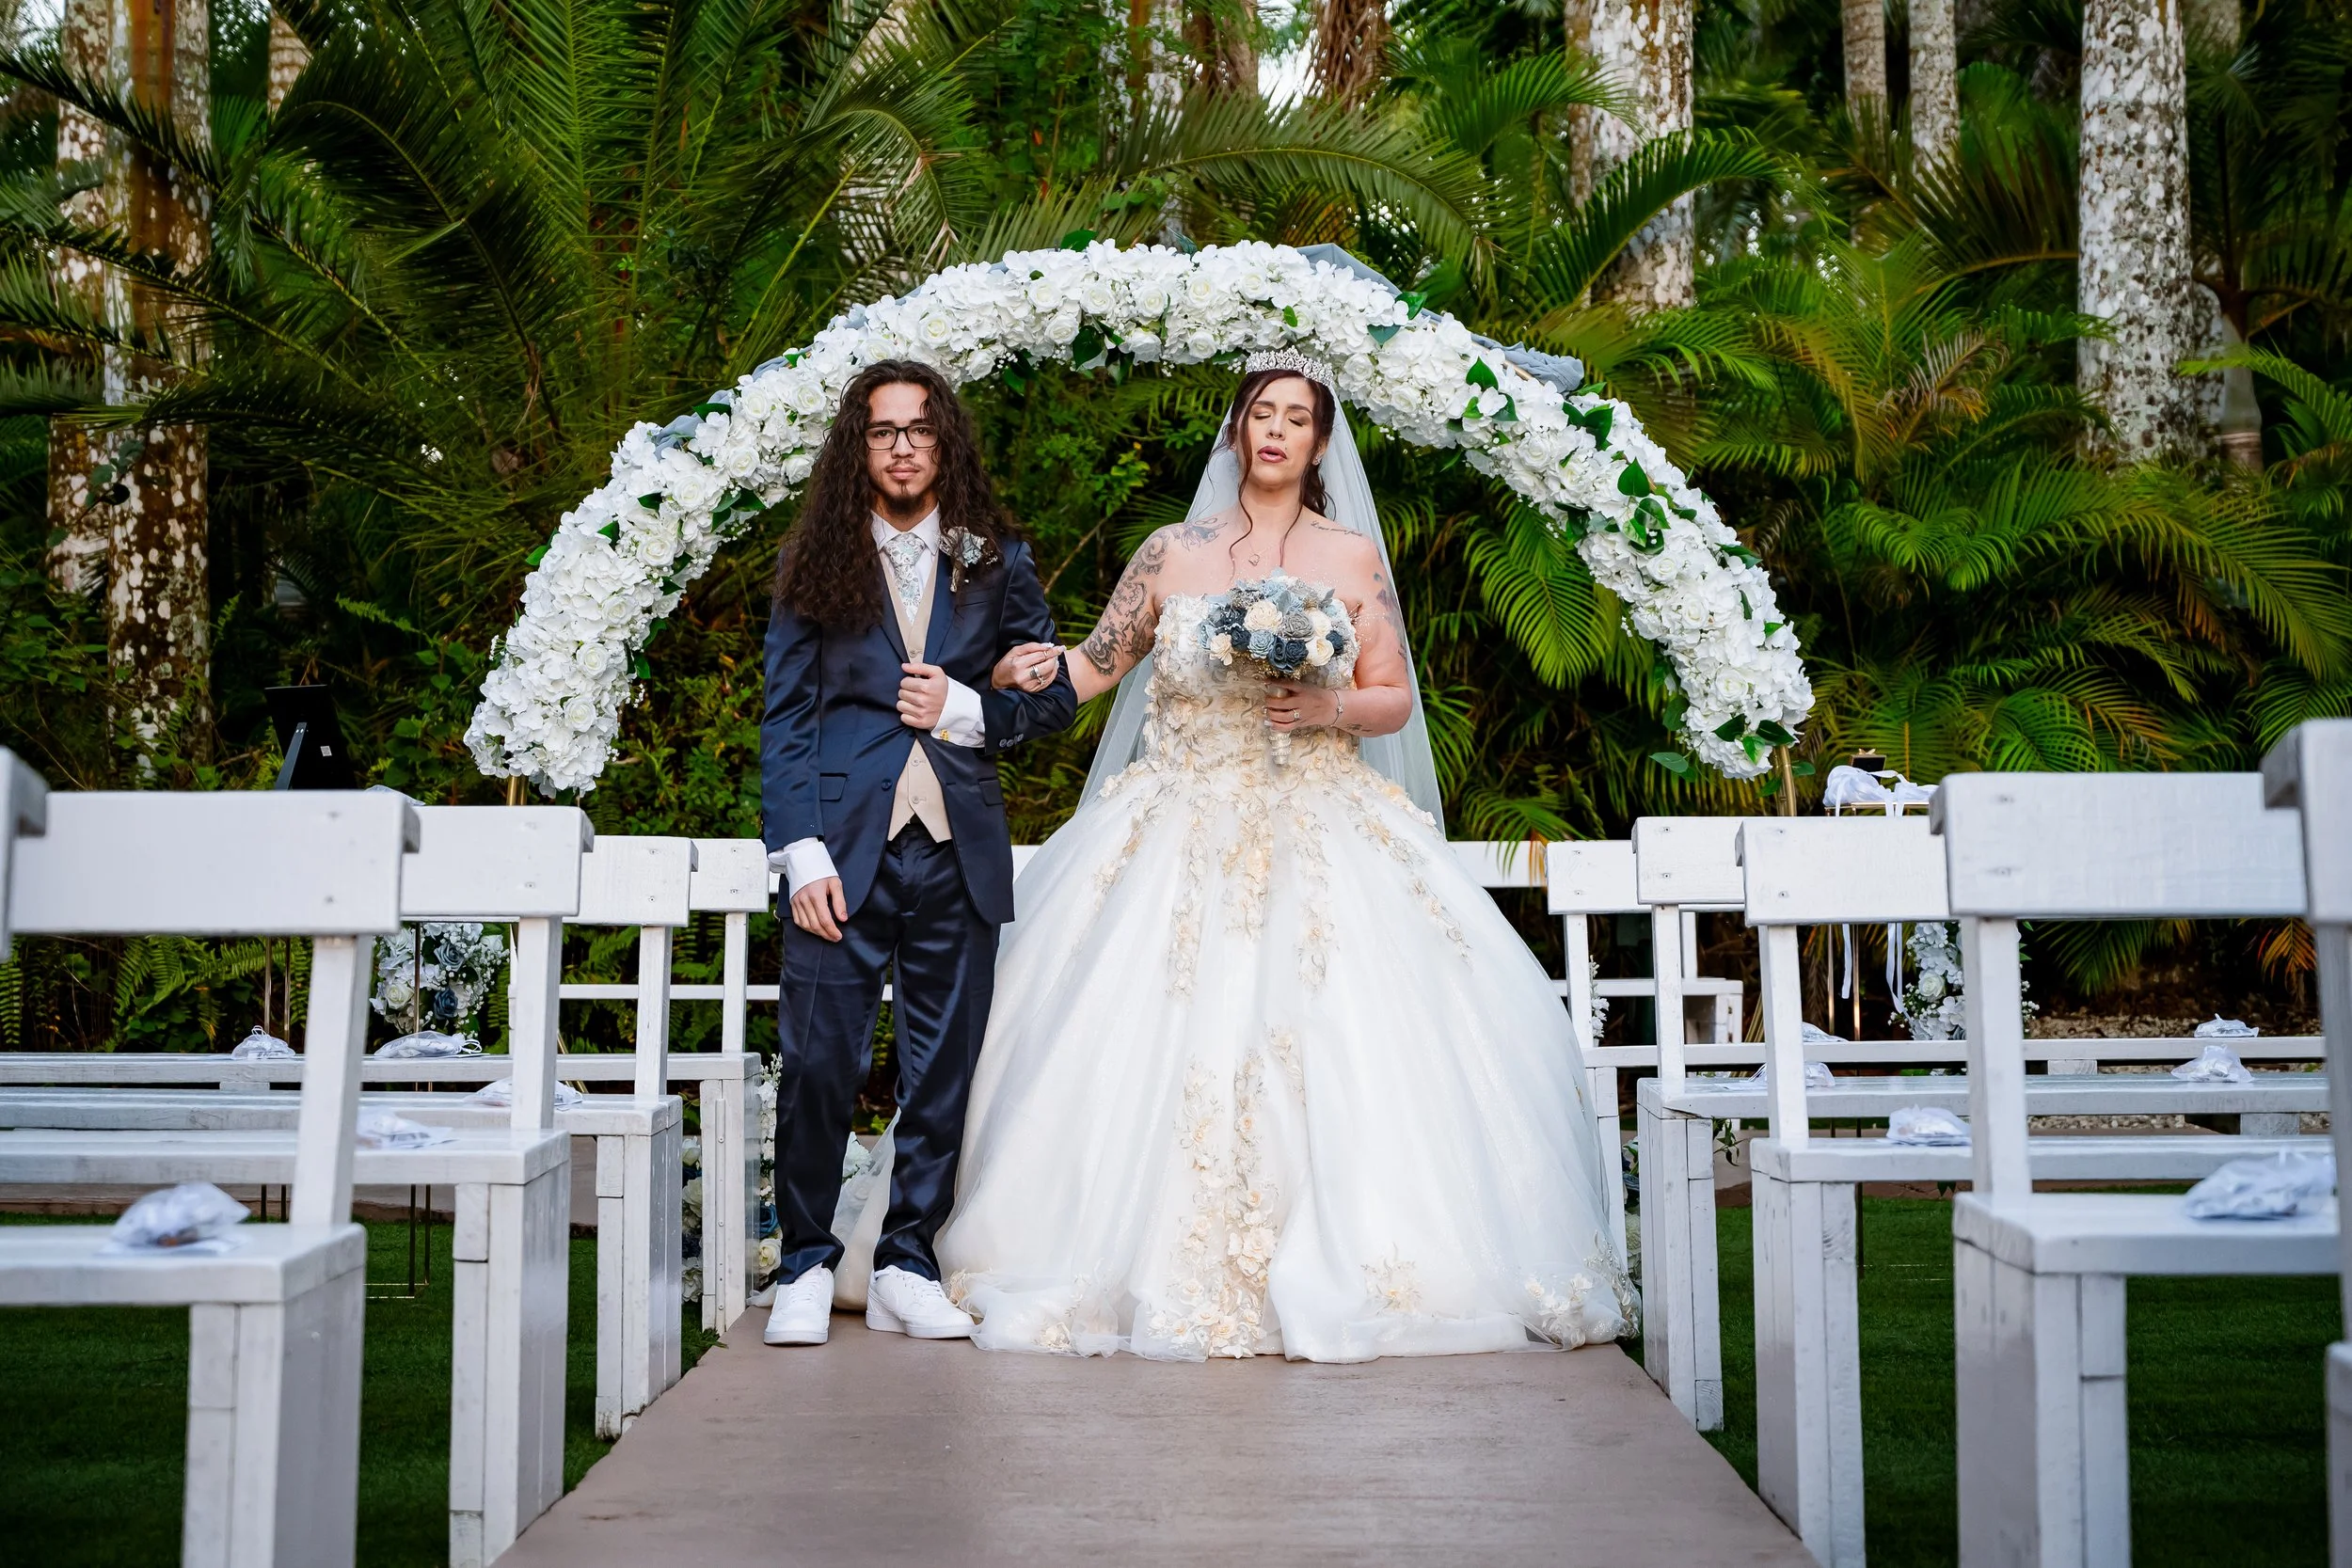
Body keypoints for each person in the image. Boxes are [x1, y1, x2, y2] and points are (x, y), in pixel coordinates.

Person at [932, 351, 1634, 1361]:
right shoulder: (1170, 550)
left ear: (1317, 443)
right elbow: (1094, 666)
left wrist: (1327, 705)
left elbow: (1391, 695)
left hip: (1317, 816)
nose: (1274, 430)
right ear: (1234, 431)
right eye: (1260, 412)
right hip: (1173, 821)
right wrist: (1015, 674)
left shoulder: (1350, 559)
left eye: (1295, 418)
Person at [759, 359, 1075, 1346]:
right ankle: (805, 1259)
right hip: (840, 851)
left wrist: (972, 706)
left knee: (945, 1068)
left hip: (957, 847)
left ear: (946, 442)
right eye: (882, 429)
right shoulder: (816, 557)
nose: (901, 444)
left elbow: (1053, 694)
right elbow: (784, 718)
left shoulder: (997, 559)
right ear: (860, 447)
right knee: (819, 1061)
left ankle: (905, 1257)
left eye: (919, 427)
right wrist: (799, 851)